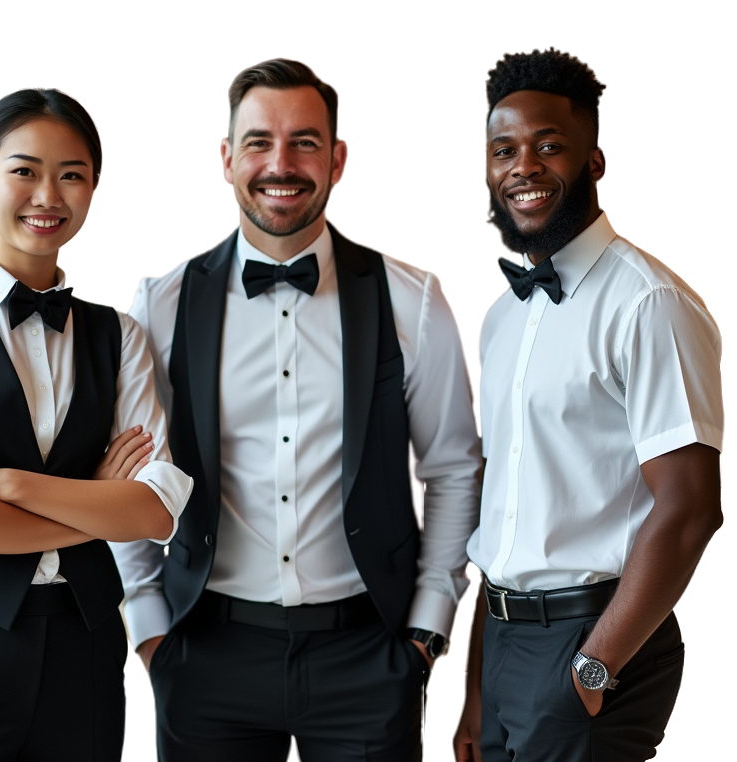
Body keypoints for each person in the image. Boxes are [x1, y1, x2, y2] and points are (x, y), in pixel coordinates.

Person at [108, 58, 482, 761]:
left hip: (369, 655)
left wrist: (429, 632)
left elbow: (453, 471)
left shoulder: (416, 299)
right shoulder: (159, 303)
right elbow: (126, 478)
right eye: (258, 142)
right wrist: (148, 625)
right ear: (225, 159)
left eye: (305, 142)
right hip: (201, 656)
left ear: (339, 160)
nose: (281, 163)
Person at [0, 87, 193, 762]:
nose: (48, 196)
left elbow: (157, 511)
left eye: (71, 175)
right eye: (25, 171)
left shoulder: (121, 334)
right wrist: (98, 508)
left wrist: (11, 483)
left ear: (94, 188)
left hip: (87, 646)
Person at [452, 48, 724, 761]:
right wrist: (476, 691)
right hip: (504, 646)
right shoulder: (499, 320)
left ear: (595, 163)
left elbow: (691, 506)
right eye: (503, 150)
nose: (523, 167)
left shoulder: (650, 303)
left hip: (598, 640)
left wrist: (593, 668)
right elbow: (506, 516)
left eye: (549, 147)